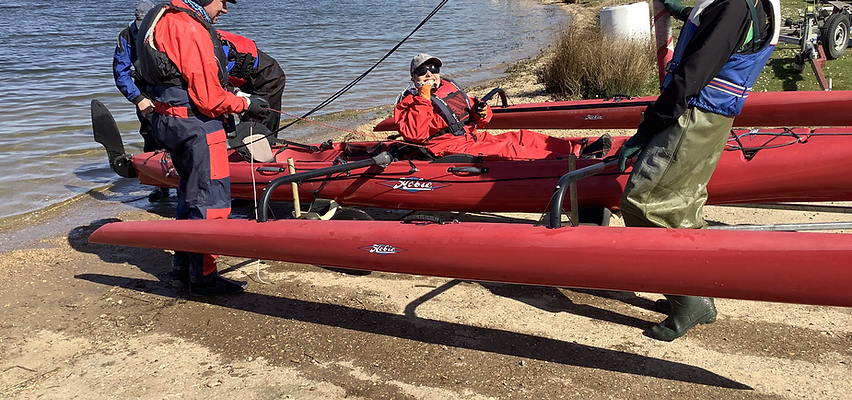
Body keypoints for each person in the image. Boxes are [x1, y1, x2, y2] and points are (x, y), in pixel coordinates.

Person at [617, 0, 780, 341]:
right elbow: (719, 29)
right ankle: (696, 289)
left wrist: (646, 130)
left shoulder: (732, 6)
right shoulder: (746, 4)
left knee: (644, 203)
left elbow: (692, 74)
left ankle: (687, 299)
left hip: (693, 117)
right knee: (684, 205)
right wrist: (681, 10)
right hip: (714, 119)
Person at [136, 0, 269, 296]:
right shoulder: (188, 26)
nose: (224, 9)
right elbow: (209, 99)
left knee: (188, 196)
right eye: (222, 2)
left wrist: (234, 95)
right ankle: (204, 279)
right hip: (196, 127)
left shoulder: (163, 17)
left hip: (169, 121)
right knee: (211, 201)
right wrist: (246, 104)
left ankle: (183, 268)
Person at [394, 54, 610, 160]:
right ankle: (568, 163)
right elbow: (415, 134)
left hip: (473, 138)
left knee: (522, 137)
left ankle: (578, 150)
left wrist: (482, 112)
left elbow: (480, 118)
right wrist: (423, 95)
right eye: (423, 71)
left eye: (433, 68)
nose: (430, 73)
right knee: (508, 150)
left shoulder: (449, 89)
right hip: (448, 148)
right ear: (414, 78)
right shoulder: (408, 102)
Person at [112, 0, 170, 202]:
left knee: (177, 134)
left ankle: (184, 181)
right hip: (145, 93)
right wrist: (137, 98)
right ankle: (158, 184)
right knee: (150, 136)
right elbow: (121, 73)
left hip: (169, 90)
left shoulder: (165, 29)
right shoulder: (126, 36)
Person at [219, 30, 287, 132]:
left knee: (261, 120)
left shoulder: (212, 51)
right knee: (247, 120)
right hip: (246, 77)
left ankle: (267, 144)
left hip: (269, 76)